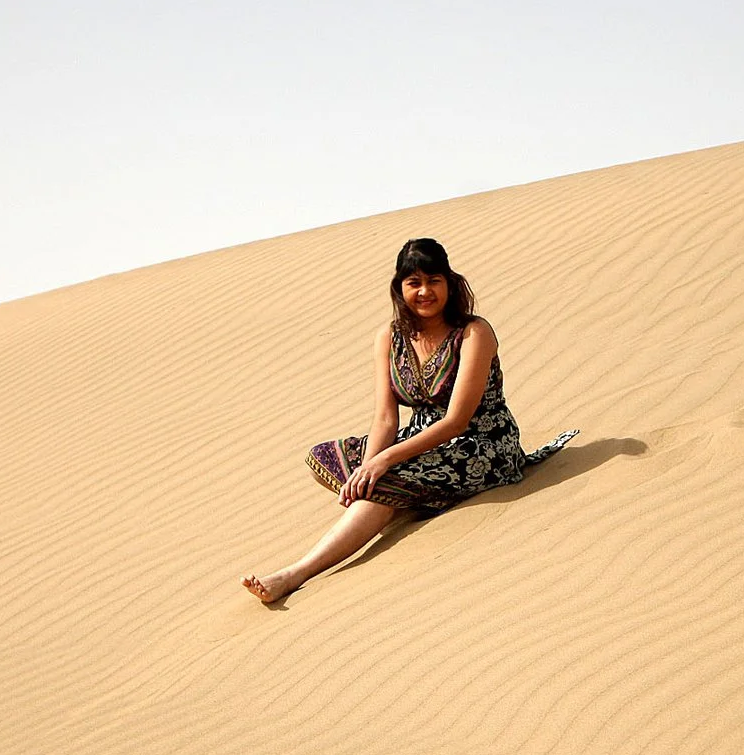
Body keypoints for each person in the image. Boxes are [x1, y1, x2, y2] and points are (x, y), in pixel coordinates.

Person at [242, 238, 576, 603]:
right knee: (326, 459)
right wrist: (368, 469)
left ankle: (295, 574)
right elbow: (385, 418)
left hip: (482, 445)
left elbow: (457, 421)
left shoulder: (473, 333)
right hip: (417, 439)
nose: (424, 291)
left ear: (450, 283)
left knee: (386, 484)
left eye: (434, 280)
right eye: (413, 282)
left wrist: (386, 462)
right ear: (399, 289)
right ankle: (407, 496)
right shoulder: (390, 337)